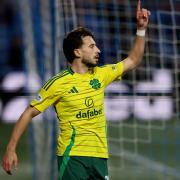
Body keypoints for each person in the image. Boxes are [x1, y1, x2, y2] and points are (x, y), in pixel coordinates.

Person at [2, 1, 150, 179]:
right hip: (72, 156)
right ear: (77, 52)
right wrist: (11, 149)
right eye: (92, 46)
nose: (98, 50)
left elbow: (133, 60)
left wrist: (141, 29)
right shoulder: (58, 83)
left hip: (99, 156)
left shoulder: (101, 74)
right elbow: (28, 113)